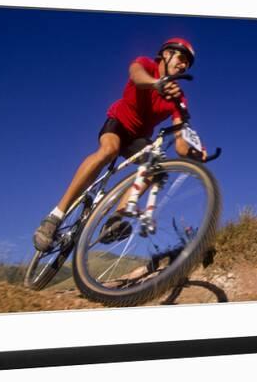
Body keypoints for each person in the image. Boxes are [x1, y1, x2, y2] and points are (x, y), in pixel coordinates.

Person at [33, 37, 207, 252]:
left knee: (155, 169)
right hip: (118, 124)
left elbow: (181, 145)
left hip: (138, 139)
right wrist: (156, 83)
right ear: (166, 54)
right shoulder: (146, 65)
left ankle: (115, 220)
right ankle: (55, 216)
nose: (183, 65)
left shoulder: (177, 96)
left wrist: (195, 153)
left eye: (187, 63)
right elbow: (136, 75)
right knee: (109, 149)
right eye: (181, 58)